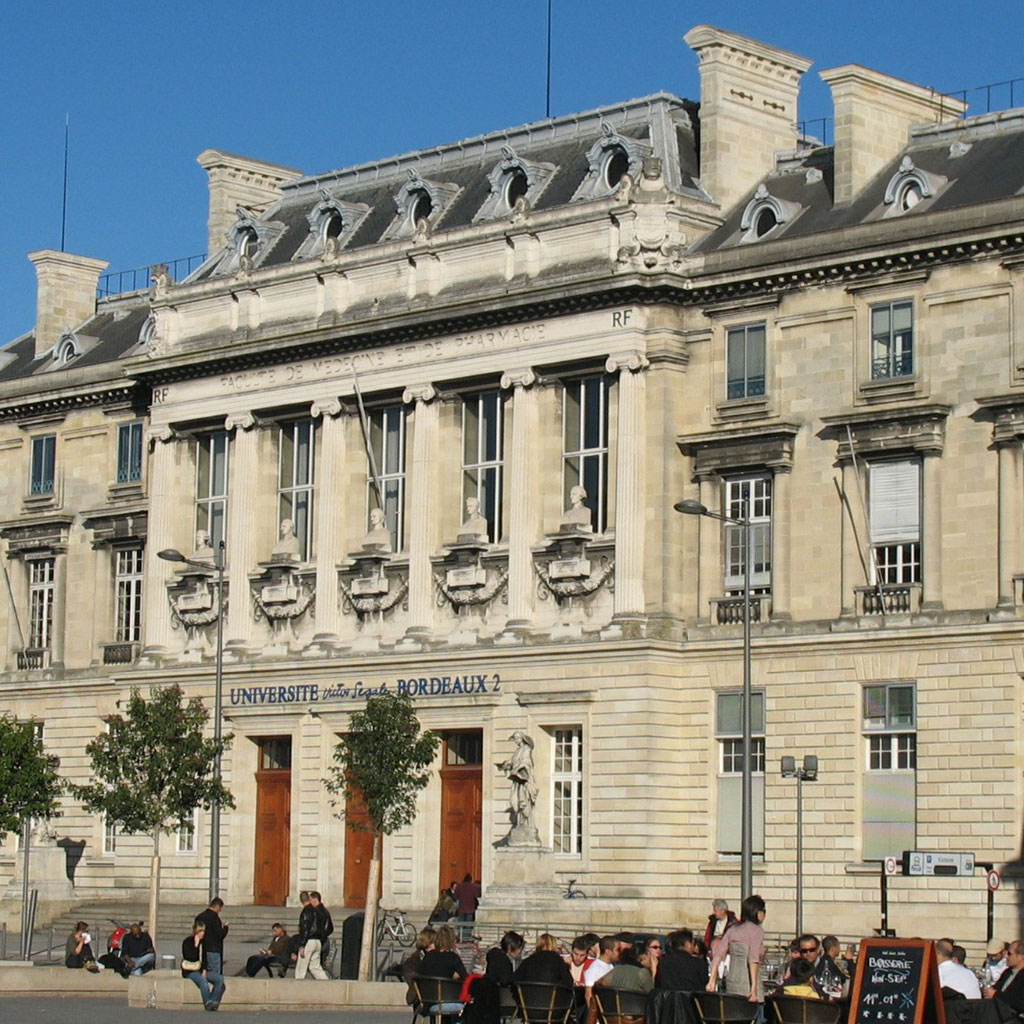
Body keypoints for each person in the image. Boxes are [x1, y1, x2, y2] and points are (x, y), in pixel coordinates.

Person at [707, 893, 766, 1004]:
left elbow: (718, 954)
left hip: (732, 983)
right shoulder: (757, 930)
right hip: (748, 984)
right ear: (758, 913)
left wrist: (711, 980)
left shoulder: (733, 929)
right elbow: (753, 959)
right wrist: (754, 990)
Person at [182, 919, 226, 1011]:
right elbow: (190, 957)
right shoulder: (187, 942)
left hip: (201, 969)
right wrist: (196, 946)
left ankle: (212, 1001)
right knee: (202, 981)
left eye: (203, 931)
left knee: (219, 979)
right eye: (200, 931)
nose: (202, 933)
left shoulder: (204, 943)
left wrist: (205, 970)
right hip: (190, 970)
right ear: (196, 931)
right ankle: (207, 1002)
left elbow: (205, 959)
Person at [499, 730, 539, 831]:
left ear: (522, 738)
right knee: (514, 801)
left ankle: (526, 825)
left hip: (524, 780)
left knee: (524, 801)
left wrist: (518, 768)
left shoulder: (526, 749)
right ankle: (520, 823)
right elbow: (512, 761)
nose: (516, 741)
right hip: (517, 780)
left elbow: (526, 761)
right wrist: (506, 764)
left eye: (517, 739)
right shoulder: (517, 751)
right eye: (515, 739)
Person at [295, 890, 330, 980]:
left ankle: (297, 989)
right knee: (315, 967)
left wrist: (302, 945)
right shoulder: (318, 911)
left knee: (301, 968)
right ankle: (327, 983)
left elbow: (305, 929)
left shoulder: (306, 911)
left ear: (301, 900)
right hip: (317, 941)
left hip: (309, 941)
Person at [401, 927, 437, 1005]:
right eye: (433, 942)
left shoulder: (437, 956)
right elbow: (411, 976)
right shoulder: (415, 960)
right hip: (422, 996)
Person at [985, 940, 1024, 1012]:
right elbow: (996, 988)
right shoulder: (1007, 972)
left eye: (1009, 954)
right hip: (997, 1011)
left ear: (1020, 957)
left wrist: (995, 994)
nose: (1006, 956)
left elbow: (1019, 1002)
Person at [195, 897, 229, 976]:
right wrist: (226, 928)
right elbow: (220, 935)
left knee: (204, 973)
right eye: (220, 908)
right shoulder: (215, 918)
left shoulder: (200, 916)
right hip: (214, 950)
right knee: (215, 975)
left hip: (202, 949)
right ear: (217, 907)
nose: (220, 911)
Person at [454, 873, 480, 940]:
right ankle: (467, 937)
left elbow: (455, 896)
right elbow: (476, 895)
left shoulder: (459, 886)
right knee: (468, 923)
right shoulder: (473, 886)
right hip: (470, 908)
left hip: (461, 907)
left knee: (461, 923)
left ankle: (461, 936)